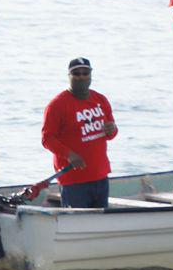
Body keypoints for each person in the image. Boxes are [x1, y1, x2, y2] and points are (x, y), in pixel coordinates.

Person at [42, 57, 118, 210]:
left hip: (100, 175)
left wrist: (112, 130)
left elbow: (111, 132)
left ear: (90, 75)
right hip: (73, 180)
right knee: (77, 223)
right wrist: (69, 154)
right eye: (76, 73)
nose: (81, 77)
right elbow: (47, 138)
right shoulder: (57, 104)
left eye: (85, 73)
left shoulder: (100, 99)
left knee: (100, 223)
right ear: (69, 76)